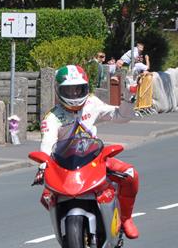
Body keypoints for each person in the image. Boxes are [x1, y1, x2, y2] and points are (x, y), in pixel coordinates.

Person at [34, 65, 140, 239]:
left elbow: (121, 116)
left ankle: (126, 218)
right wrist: (43, 165)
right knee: (46, 196)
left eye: (78, 89)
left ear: (86, 87)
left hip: (95, 159)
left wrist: (129, 97)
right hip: (65, 166)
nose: (75, 94)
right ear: (58, 90)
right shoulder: (52, 117)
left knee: (130, 174)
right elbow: (47, 144)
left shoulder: (92, 102)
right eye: (68, 90)